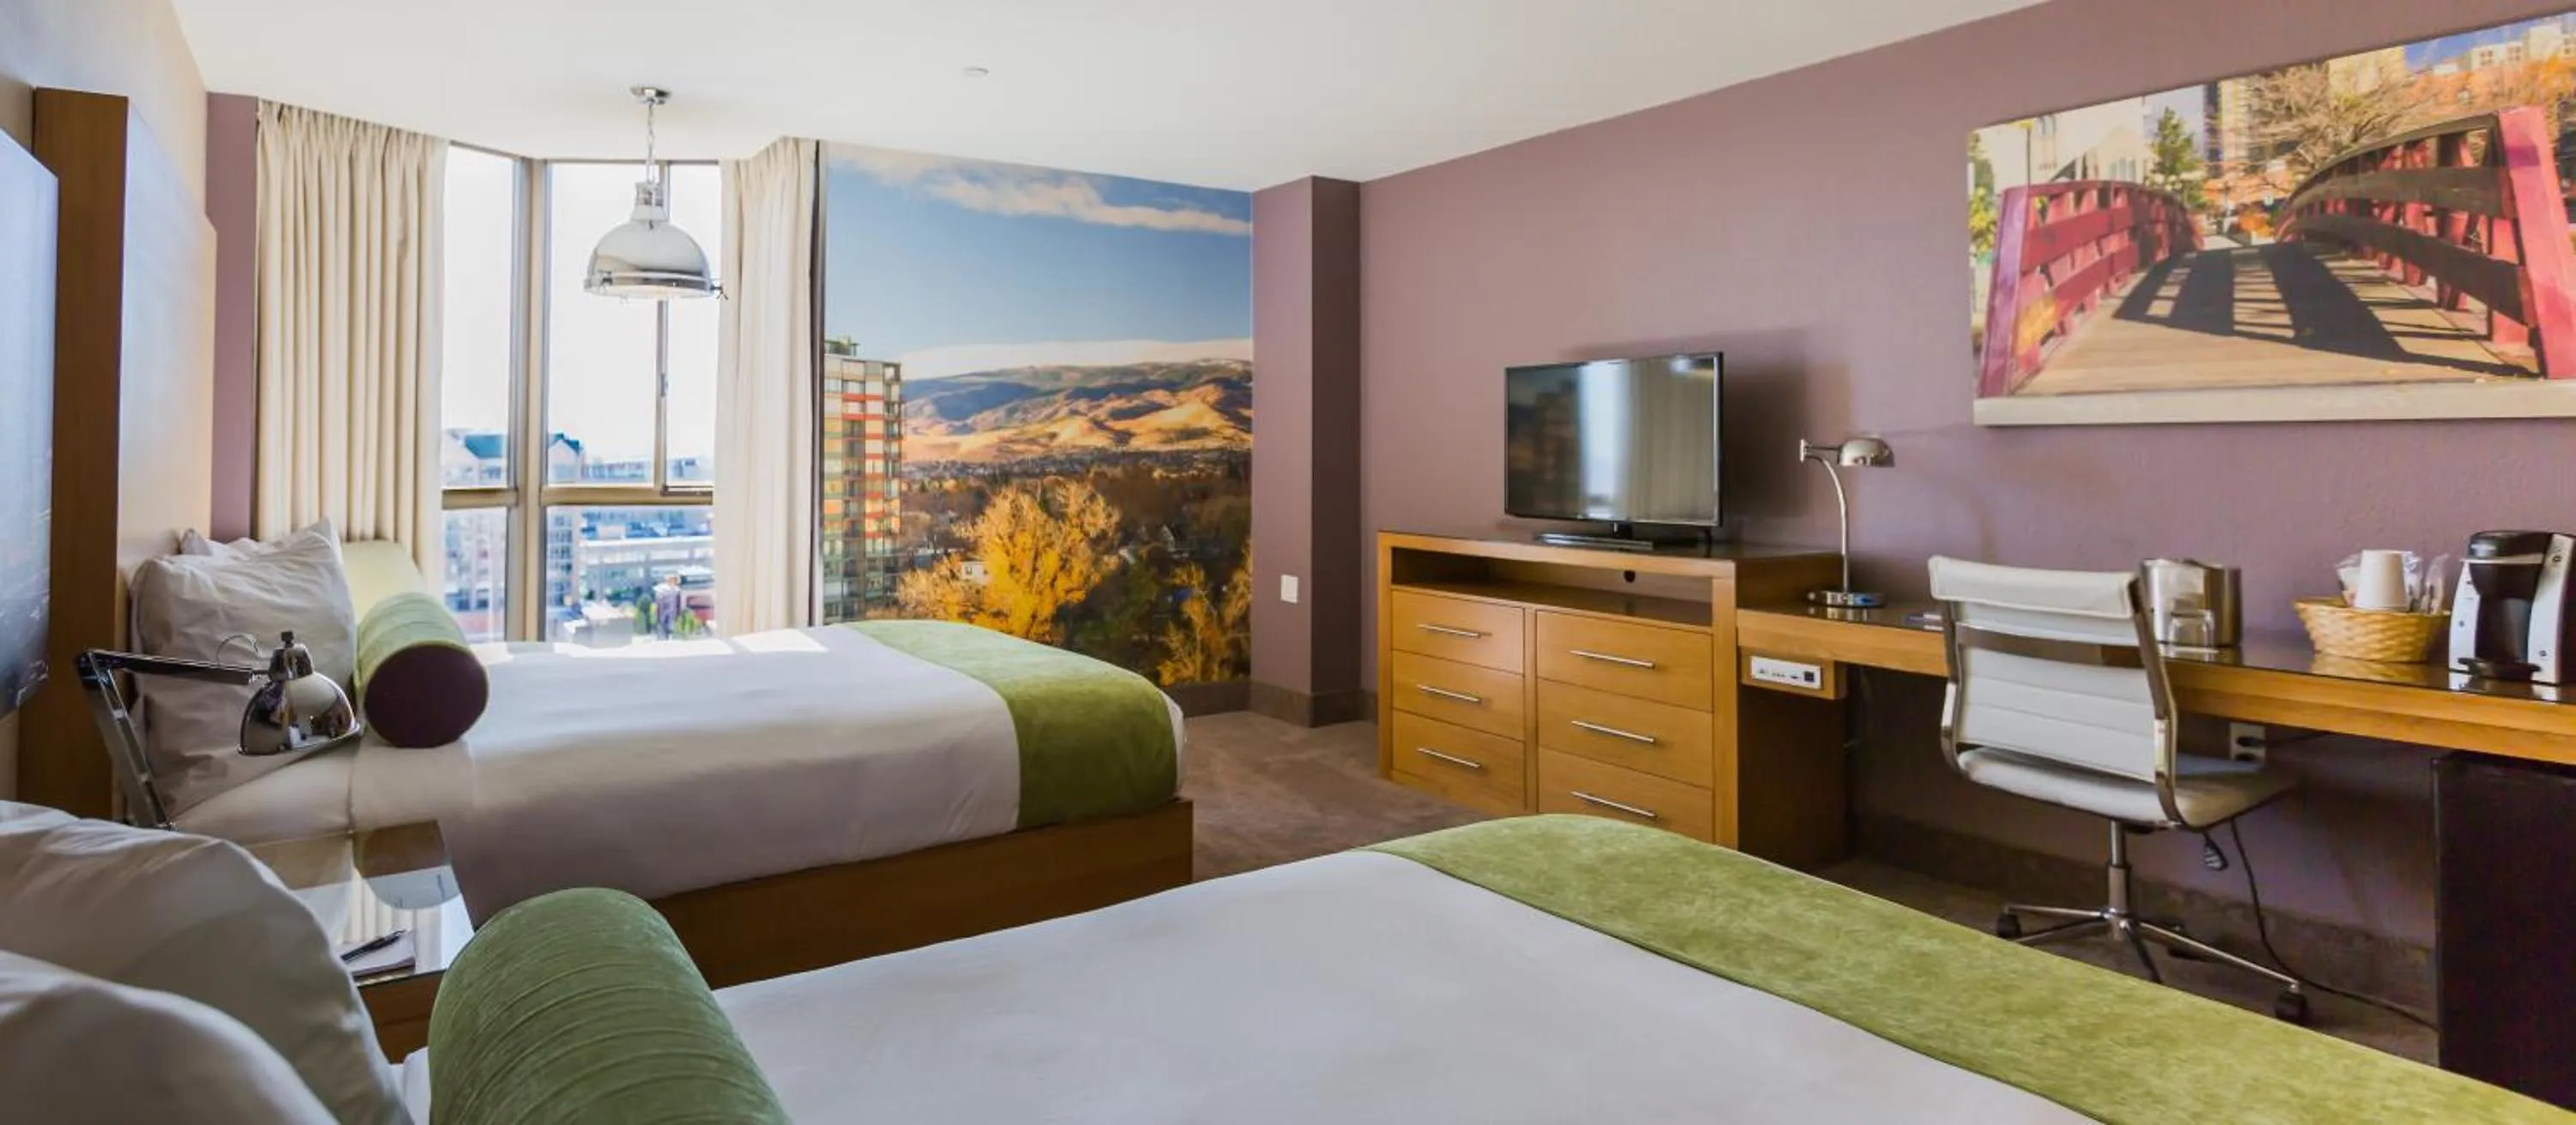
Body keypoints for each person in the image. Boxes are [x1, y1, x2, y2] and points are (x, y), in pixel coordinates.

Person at [653, 573, 683, 640]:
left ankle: (669, 636)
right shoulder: (661, 589)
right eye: (672, 580)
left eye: (674, 580)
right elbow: (658, 602)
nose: (673, 582)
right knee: (664, 625)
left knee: (671, 626)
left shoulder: (677, 590)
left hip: (672, 611)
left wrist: (679, 612)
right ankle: (665, 637)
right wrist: (657, 612)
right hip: (663, 612)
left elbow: (678, 602)